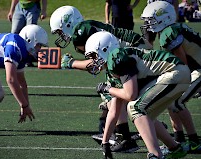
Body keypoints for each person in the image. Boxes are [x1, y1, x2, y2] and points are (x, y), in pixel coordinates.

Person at [50, 6, 153, 153]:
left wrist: (71, 63)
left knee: (113, 94)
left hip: (134, 53)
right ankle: (125, 133)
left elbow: (96, 64)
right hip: (126, 54)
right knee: (111, 94)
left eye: (60, 31)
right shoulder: (85, 29)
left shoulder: (83, 31)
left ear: (68, 24)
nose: (61, 35)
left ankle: (128, 136)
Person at [85, 31, 190, 159]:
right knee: (146, 114)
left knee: (135, 107)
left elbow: (130, 95)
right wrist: (105, 142)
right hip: (176, 73)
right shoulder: (113, 67)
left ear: (105, 49)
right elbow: (114, 110)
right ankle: (174, 148)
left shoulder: (117, 57)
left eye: (94, 56)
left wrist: (108, 89)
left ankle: (155, 155)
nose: (92, 61)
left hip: (175, 72)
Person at [141, 1, 201, 154]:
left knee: (176, 100)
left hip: (198, 69)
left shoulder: (169, 33)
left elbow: (182, 63)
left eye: (151, 20)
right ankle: (179, 137)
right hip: (195, 68)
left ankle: (194, 141)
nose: (148, 24)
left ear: (164, 18)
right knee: (171, 97)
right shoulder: (169, 30)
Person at [7, 0, 47, 67]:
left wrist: (44, 11)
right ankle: (12, 56)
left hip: (33, 6)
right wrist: (11, 10)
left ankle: (29, 59)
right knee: (14, 33)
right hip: (19, 7)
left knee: (30, 33)